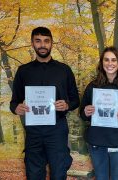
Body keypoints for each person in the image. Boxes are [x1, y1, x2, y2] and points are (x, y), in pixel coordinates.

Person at [10, 27, 79, 179]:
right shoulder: (23, 71)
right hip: (33, 131)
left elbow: (75, 100)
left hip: (57, 130)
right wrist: (17, 108)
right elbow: (14, 102)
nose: (42, 45)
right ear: (32, 43)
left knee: (59, 173)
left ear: (51, 43)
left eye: (46, 41)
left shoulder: (64, 70)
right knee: (34, 174)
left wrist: (67, 105)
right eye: (38, 41)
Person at [80, 46, 118, 180]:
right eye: (106, 60)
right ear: (102, 63)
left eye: (113, 60)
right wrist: (86, 111)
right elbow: (82, 113)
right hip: (97, 142)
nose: (110, 63)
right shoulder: (92, 86)